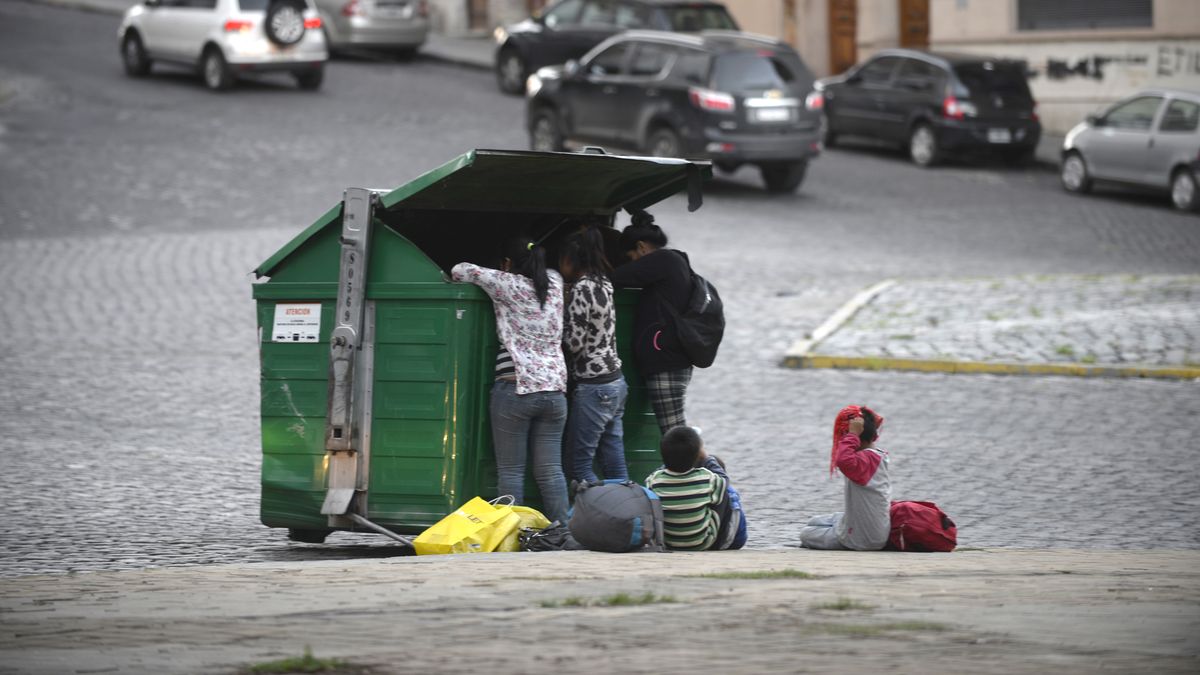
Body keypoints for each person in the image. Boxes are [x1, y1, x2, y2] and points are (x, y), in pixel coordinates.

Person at [451, 238, 569, 524]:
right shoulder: (555, 282)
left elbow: (459, 270)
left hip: (516, 387)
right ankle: (563, 531)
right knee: (551, 470)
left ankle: (513, 535)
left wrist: (499, 272)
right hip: (555, 391)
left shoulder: (506, 283)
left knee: (512, 471)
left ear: (507, 264)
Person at [609, 210, 694, 434]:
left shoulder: (662, 260)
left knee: (674, 433)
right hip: (671, 359)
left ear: (641, 247)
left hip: (667, 362)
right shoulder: (671, 261)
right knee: (674, 430)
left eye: (631, 257)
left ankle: (711, 469)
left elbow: (613, 279)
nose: (632, 264)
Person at [559, 227, 629, 486]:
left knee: (578, 467)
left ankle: (587, 520)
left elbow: (575, 343)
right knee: (614, 464)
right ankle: (628, 517)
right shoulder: (603, 282)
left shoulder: (582, 288)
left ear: (570, 260)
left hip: (594, 385)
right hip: (615, 382)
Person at [799, 406, 890, 551]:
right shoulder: (876, 455)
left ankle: (843, 533)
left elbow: (843, 460)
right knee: (815, 520)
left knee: (806, 533)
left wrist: (852, 434)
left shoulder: (863, 460)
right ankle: (842, 527)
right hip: (875, 531)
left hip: (862, 540)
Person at [645, 426, 746, 551]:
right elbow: (724, 478)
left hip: (668, 542)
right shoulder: (707, 478)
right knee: (728, 492)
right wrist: (707, 458)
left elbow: (656, 474)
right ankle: (729, 538)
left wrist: (671, 459)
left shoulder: (654, 480)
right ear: (698, 454)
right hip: (704, 542)